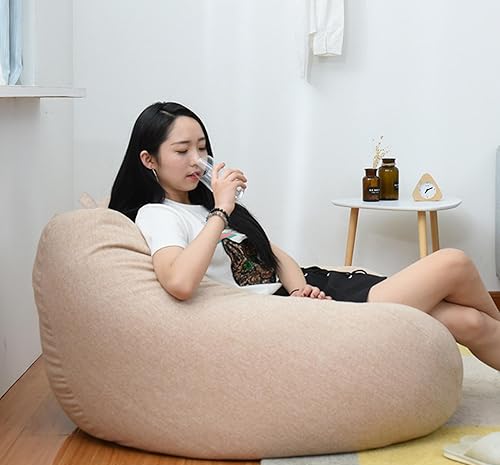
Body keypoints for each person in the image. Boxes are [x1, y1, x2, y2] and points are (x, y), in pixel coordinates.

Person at [109, 101, 500, 371]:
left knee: (470, 322)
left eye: (202, 148)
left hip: (310, 293)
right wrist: (221, 208)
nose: (197, 161)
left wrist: (299, 290)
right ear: (149, 160)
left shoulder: (207, 206)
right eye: (182, 151)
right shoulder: (159, 214)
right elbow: (179, 282)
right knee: (453, 263)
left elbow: (275, 255)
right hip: (282, 317)